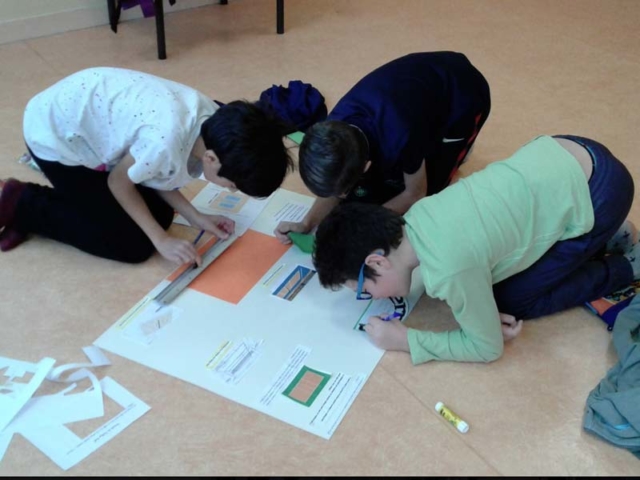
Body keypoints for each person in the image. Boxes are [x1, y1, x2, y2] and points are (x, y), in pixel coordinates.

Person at [311, 134, 637, 364]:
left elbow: (487, 347)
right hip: (569, 149)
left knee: (513, 300)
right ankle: (608, 231)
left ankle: (627, 265)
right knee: (495, 279)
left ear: (378, 262)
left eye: (364, 291)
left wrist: (405, 341)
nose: (373, 298)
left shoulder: (451, 270)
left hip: (603, 191)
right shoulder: (418, 216)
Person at [0, 67, 293, 264]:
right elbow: (119, 182)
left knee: (162, 213)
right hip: (55, 137)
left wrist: (195, 217)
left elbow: (161, 176)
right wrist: (161, 240)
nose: (231, 189)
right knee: (133, 245)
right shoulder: (163, 143)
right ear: (212, 159)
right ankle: (20, 203)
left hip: (90, 118)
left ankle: (53, 203)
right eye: (232, 185)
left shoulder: (217, 120)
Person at [275, 51, 491, 243]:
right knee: (378, 187)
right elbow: (334, 182)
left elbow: (416, 194)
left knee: (434, 190)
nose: (338, 196)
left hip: (463, 94)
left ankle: (459, 149)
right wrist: (306, 223)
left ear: (366, 166)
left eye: (341, 192)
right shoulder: (332, 130)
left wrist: (363, 226)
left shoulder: (401, 136)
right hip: (412, 90)